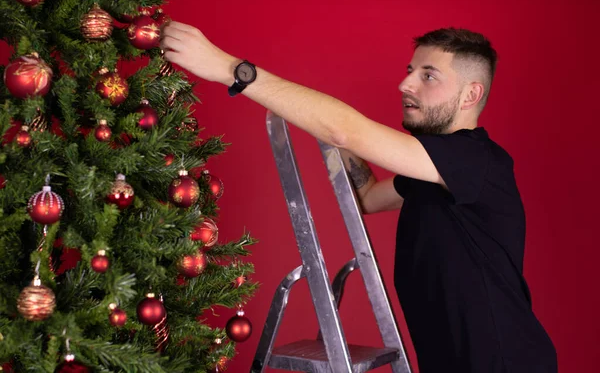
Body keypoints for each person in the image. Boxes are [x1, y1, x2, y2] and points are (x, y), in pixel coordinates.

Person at [160, 23, 558, 373]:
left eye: (428, 75)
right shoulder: (432, 173)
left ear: (471, 94)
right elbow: (367, 197)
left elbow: (346, 131)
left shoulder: (475, 159)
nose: (406, 84)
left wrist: (231, 69)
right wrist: (316, 118)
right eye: (409, 71)